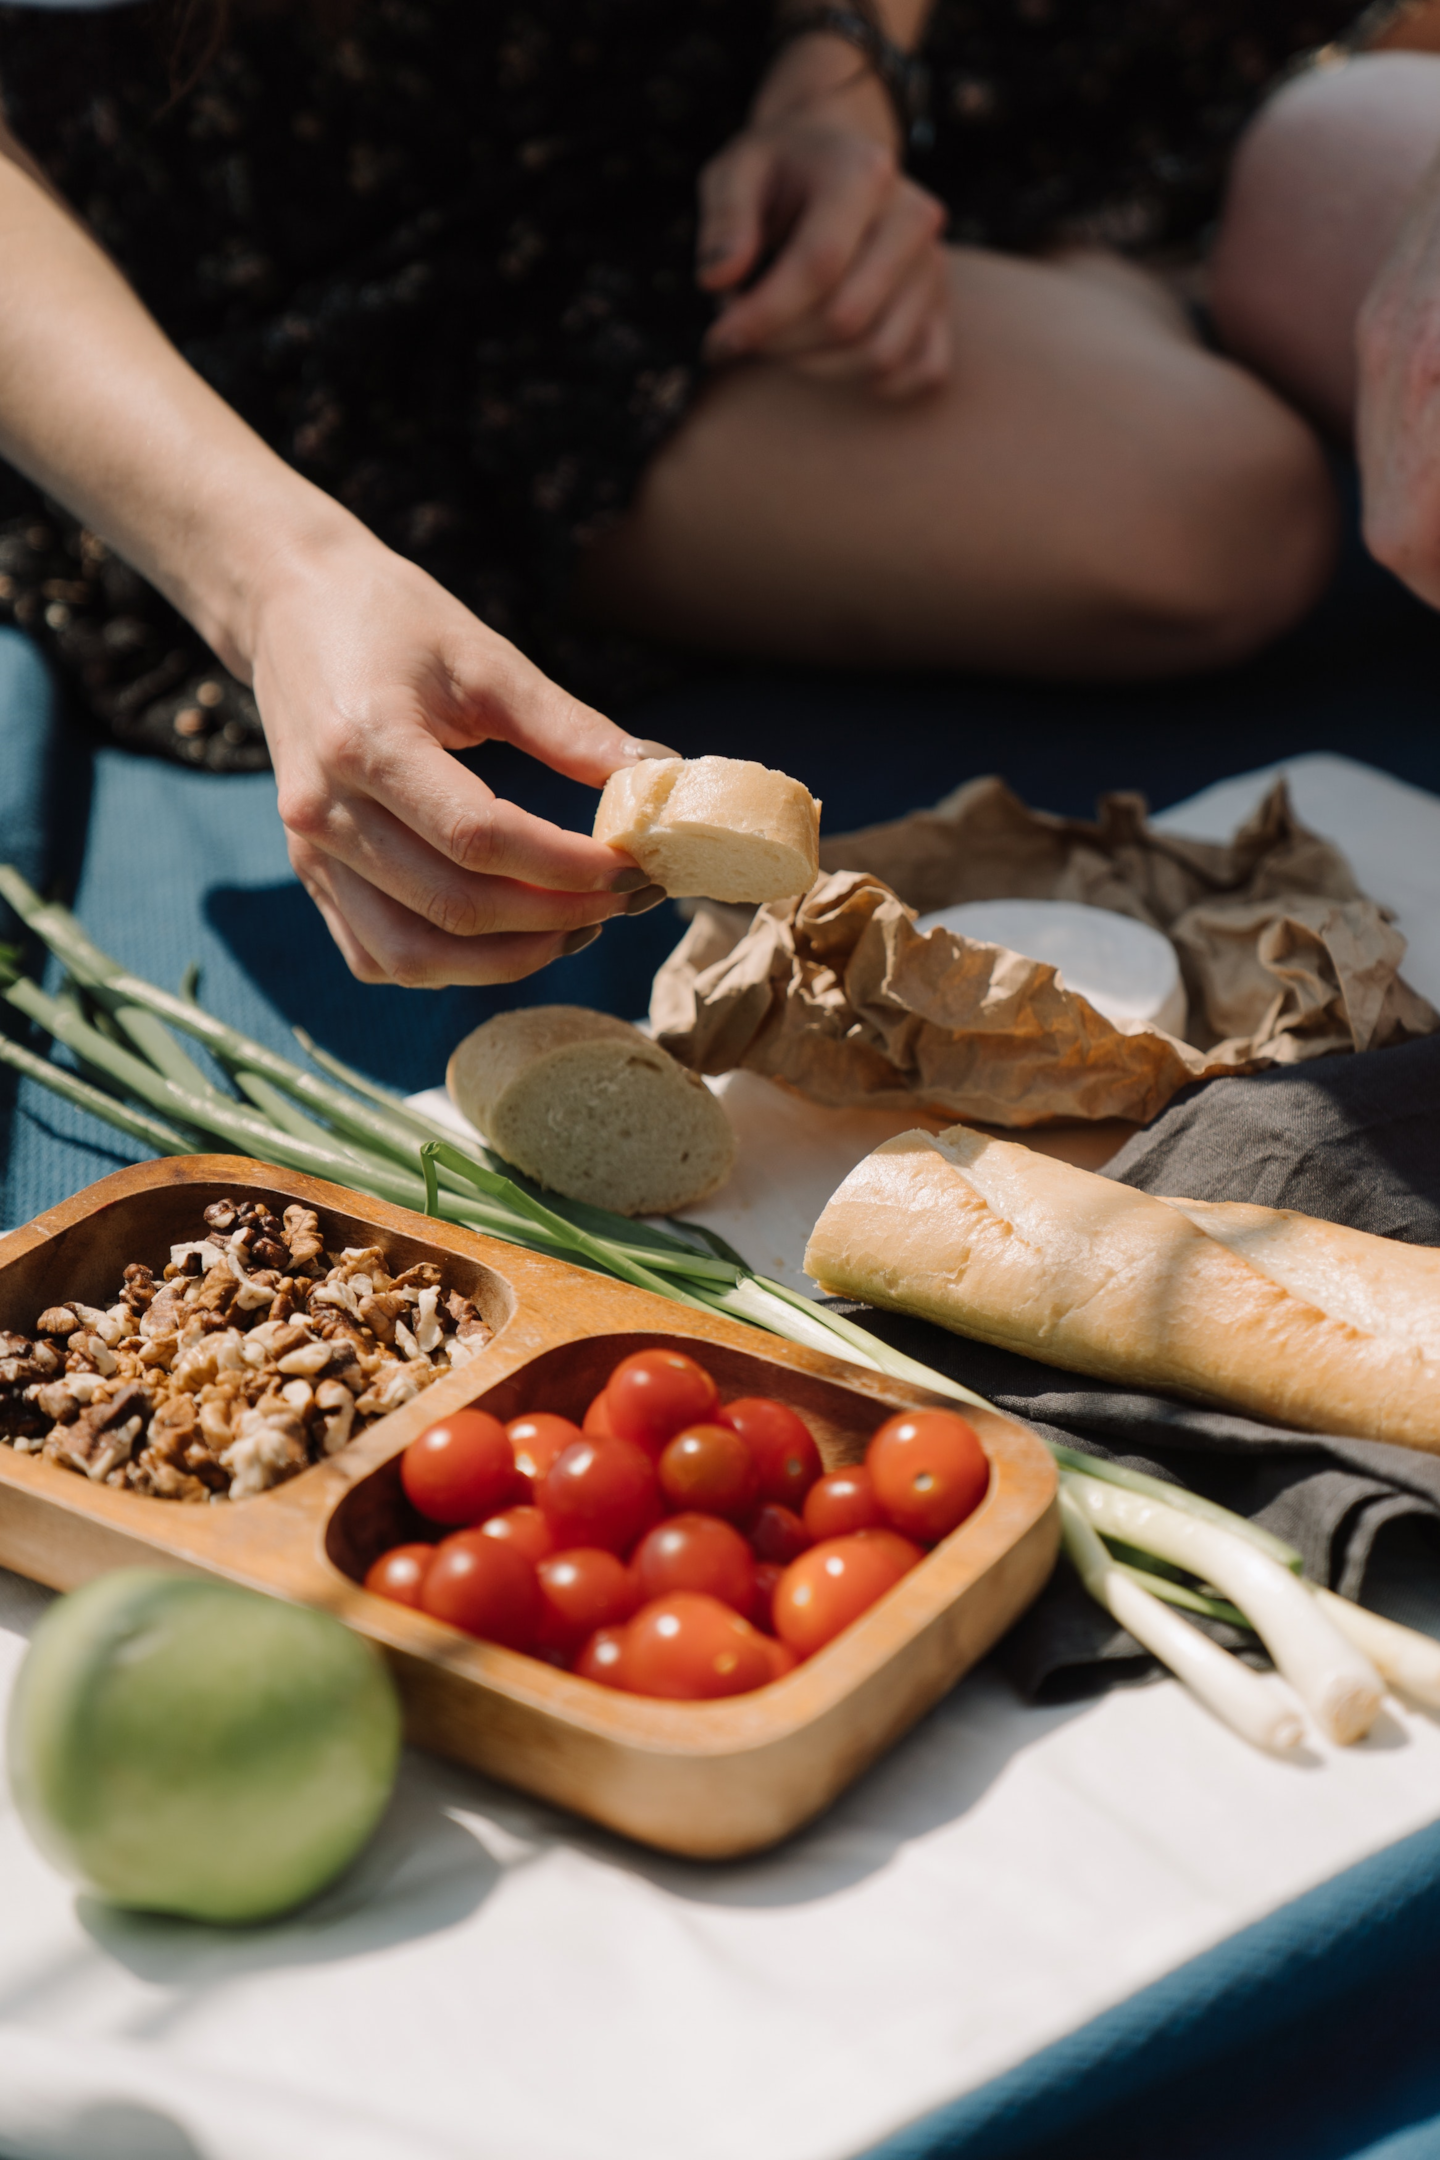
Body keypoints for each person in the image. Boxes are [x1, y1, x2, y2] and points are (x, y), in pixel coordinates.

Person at [0, 1, 1359, 993]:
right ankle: (1129, 284)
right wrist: (276, 573)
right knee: (1218, 512)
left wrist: (846, 72)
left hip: (751, 68)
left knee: (1353, 158)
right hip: (309, 223)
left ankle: (1120, 266)